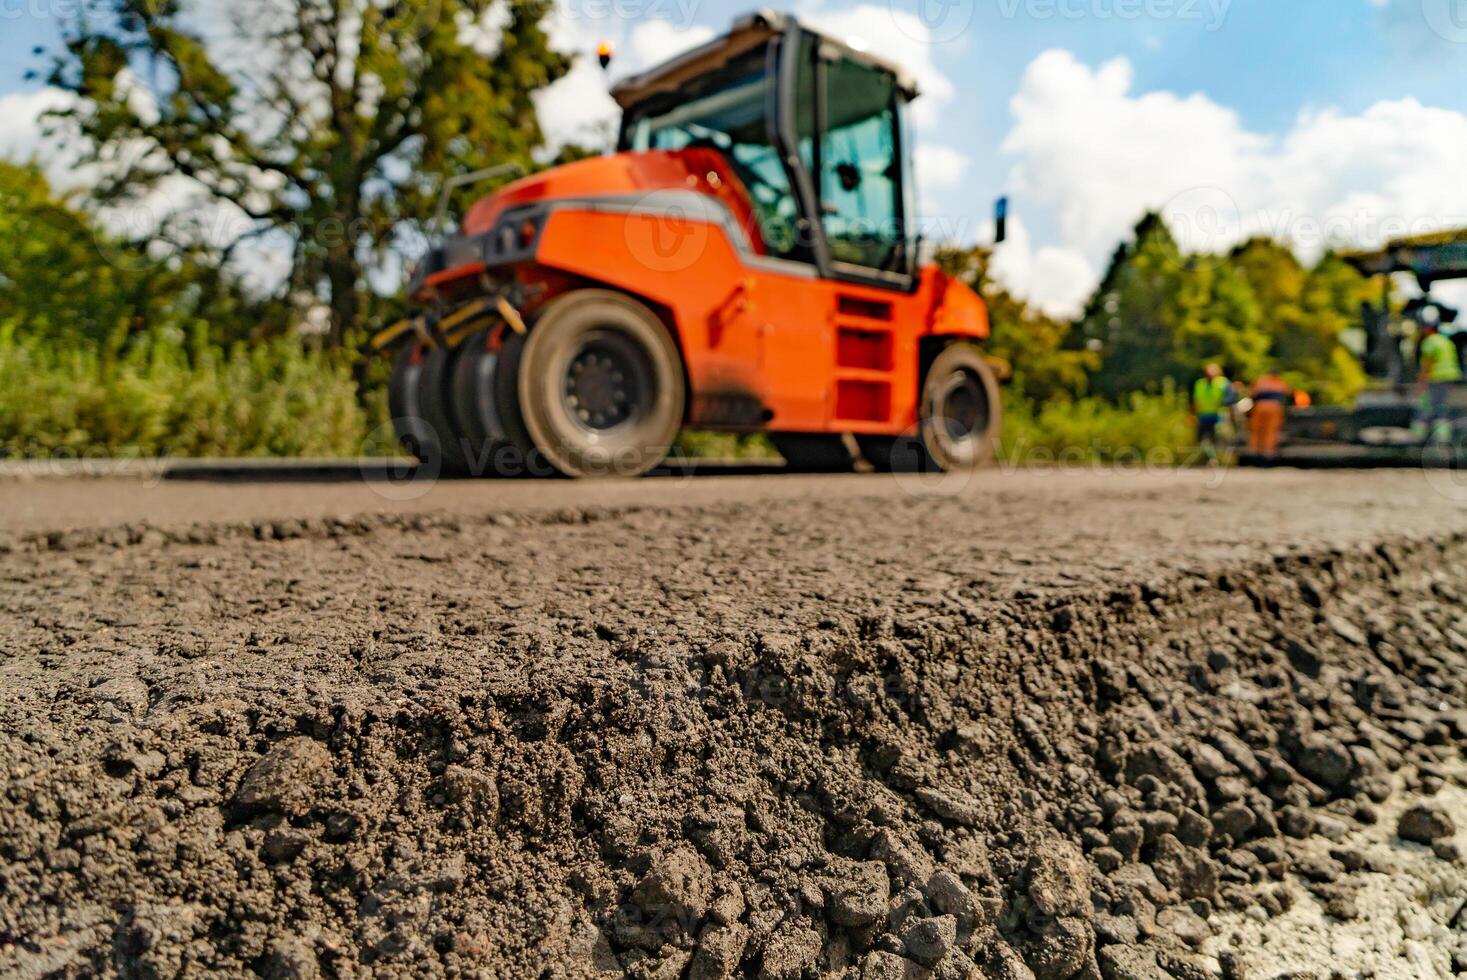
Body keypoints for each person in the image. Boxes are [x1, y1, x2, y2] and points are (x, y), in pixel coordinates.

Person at [1416, 322, 1463, 442]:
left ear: (1428, 329)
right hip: (1449, 376)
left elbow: (1428, 362)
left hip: (1437, 376)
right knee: (1441, 403)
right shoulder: (1444, 340)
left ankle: (1428, 436)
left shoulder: (1430, 341)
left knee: (1430, 405)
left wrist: (1421, 381)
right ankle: (1443, 435)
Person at [1191, 364, 1232, 461]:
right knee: (1201, 439)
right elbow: (1195, 400)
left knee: (1218, 436)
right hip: (1203, 415)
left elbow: (1232, 395)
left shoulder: (1223, 382)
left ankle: (1222, 458)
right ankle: (1212, 457)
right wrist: (1192, 414)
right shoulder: (1200, 384)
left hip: (1219, 415)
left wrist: (1224, 402)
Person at [1248, 369, 1291, 460]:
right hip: (1274, 406)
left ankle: (1255, 450)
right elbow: (1287, 393)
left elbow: (1252, 394)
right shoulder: (1280, 382)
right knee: (1271, 429)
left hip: (1259, 406)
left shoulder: (1260, 381)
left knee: (1257, 429)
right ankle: (1268, 452)